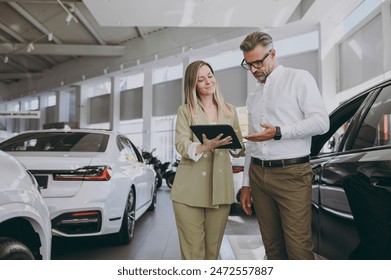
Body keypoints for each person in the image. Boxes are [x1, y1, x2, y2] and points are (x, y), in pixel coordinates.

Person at [239, 31, 330, 260]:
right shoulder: (253, 96)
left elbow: (321, 122)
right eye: (249, 64)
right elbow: (253, 143)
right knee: (272, 250)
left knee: (298, 250)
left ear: (273, 53)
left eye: (258, 62)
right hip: (259, 175)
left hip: (292, 174)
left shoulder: (299, 78)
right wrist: (247, 184)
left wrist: (279, 132)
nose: (254, 69)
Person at [170, 60, 245, 260]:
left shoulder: (229, 110)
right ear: (193, 84)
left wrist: (238, 143)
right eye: (200, 79)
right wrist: (203, 147)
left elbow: (238, 150)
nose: (207, 82)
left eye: (210, 76)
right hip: (188, 190)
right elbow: (180, 143)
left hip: (220, 189)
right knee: (194, 255)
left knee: (212, 254)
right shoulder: (185, 111)